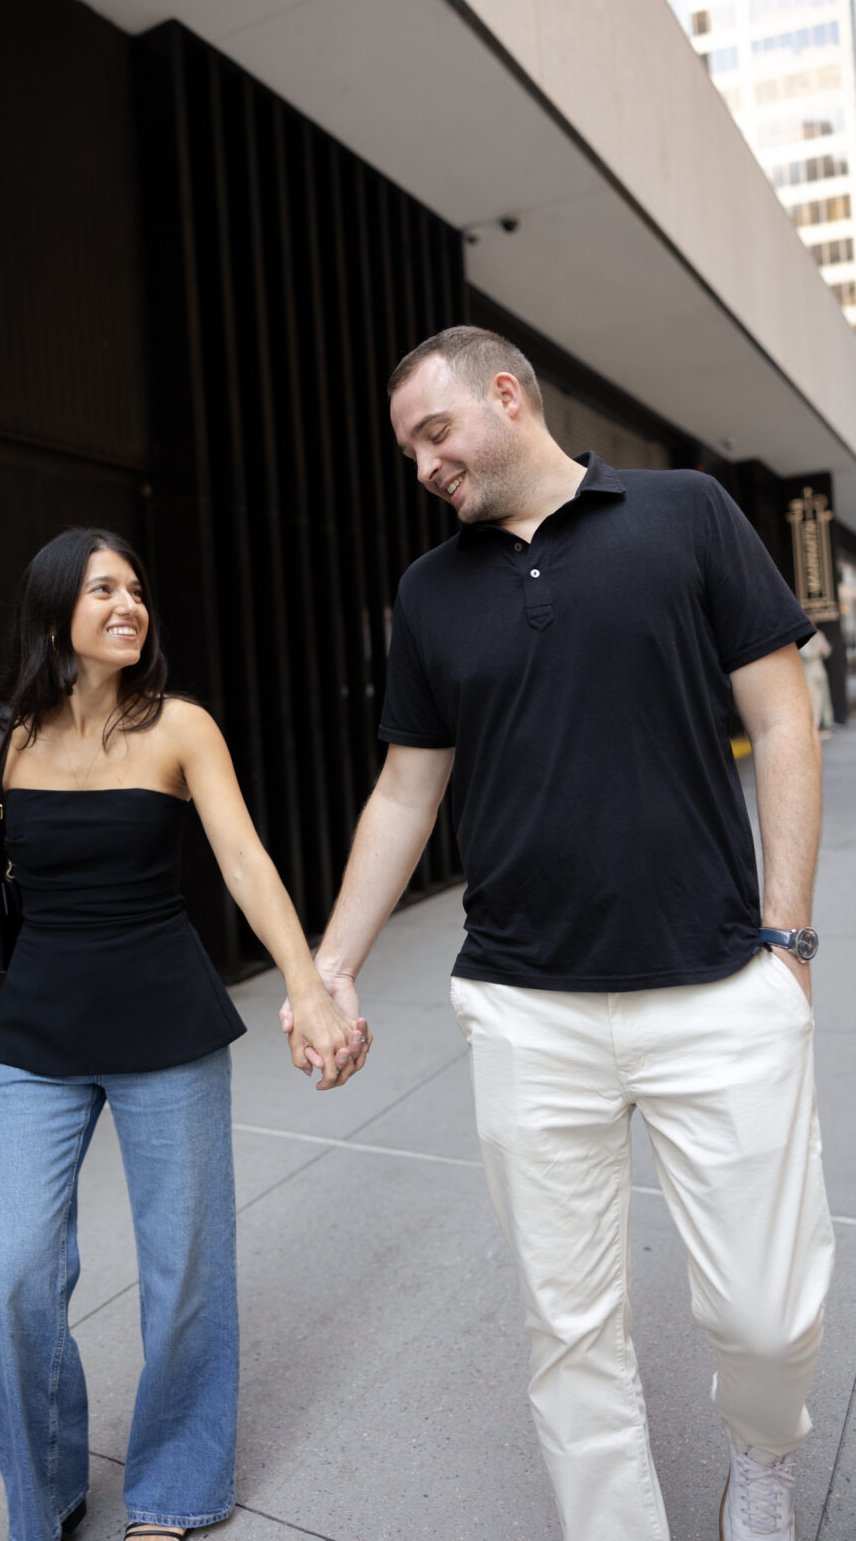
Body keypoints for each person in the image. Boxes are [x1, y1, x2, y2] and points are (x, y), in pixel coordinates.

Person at [281, 327, 834, 1541]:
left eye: (435, 433)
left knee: (765, 1311)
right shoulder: (431, 593)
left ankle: (761, 1450)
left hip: (713, 981)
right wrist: (328, 967)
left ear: (506, 394)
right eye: (406, 451)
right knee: (568, 1327)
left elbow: (781, 724)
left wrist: (786, 943)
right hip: (527, 1005)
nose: (423, 464)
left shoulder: (682, 512)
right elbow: (403, 792)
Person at [0, 526, 369, 1541]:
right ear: (51, 615)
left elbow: (245, 862)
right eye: (101, 590)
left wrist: (311, 988)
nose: (129, 605)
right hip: (37, 1030)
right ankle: (43, 1490)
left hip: (166, 1022)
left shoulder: (179, 728)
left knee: (185, 1269)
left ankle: (172, 1489)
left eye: (135, 589)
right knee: (13, 1270)